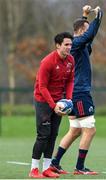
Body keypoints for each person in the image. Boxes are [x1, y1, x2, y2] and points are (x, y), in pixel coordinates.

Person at [50, 5, 103, 175]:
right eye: (85, 30)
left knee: (75, 131)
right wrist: (99, 15)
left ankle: (55, 163)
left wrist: (85, 16)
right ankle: (80, 168)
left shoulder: (78, 42)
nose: (88, 34)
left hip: (76, 91)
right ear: (80, 31)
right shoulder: (76, 43)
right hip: (80, 92)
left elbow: (86, 33)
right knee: (90, 129)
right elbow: (88, 34)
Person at [29, 32, 74, 178]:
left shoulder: (70, 60)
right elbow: (42, 87)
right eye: (66, 44)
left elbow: (70, 81)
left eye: (70, 44)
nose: (69, 47)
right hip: (43, 101)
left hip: (59, 103)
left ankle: (47, 168)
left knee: (53, 135)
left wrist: (68, 99)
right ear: (58, 45)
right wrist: (53, 105)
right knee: (43, 135)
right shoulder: (47, 62)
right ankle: (34, 170)